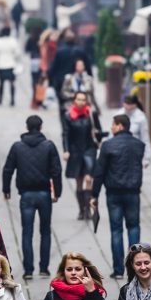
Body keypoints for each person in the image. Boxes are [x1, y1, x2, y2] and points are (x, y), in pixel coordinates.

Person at [2, 115, 62, 279]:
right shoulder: (49, 146)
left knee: (26, 232)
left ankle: (28, 269)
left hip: (26, 195)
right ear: (41, 127)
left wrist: (6, 189)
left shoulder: (17, 147)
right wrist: (57, 192)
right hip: (44, 194)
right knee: (45, 231)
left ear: (27, 127)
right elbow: (56, 170)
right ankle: (44, 268)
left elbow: (8, 169)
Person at [91, 115, 146, 278]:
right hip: (133, 192)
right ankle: (136, 267)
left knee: (116, 230)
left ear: (120, 126)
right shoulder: (139, 145)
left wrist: (95, 194)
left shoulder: (108, 146)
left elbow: (99, 172)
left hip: (114, 193)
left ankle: (118, 270)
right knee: (134, 228)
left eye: (113, 125)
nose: (111, 128)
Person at [61, 91, 102, 221]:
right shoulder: (68, 116)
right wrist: (66, 150)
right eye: (78, 99)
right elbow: (66, 134)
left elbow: (99, 130)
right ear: (74, 101)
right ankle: (81, 209)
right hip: (75, 151)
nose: (81, 102)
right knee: (78, 182)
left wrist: (99, 138)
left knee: (89, 180)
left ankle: (88, 211)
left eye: (83, 100)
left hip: (89, 149)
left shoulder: (91, 113)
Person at [48, 29, 90, 101]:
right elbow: (88, 67)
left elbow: (53, 68)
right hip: (78, 82)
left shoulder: (59, 52)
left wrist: (51, 82)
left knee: (63, 104)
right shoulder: (81, 51)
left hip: (62, 82)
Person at [0, 27, 21, 106]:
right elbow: (17, 53)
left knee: (1, 83)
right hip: (11, 65)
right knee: (12, 83)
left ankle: (0, 99)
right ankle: (12, 99)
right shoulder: (13, 41)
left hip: (1, 65)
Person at [120, 94, 151, 168]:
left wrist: (147, 158)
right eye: (125, 103)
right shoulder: (119, 114)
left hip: (135, 152)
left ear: (135, 104)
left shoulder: (141, 118)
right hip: (120, 150)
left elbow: (145, 138)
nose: (127, 106)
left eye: (129, 104)